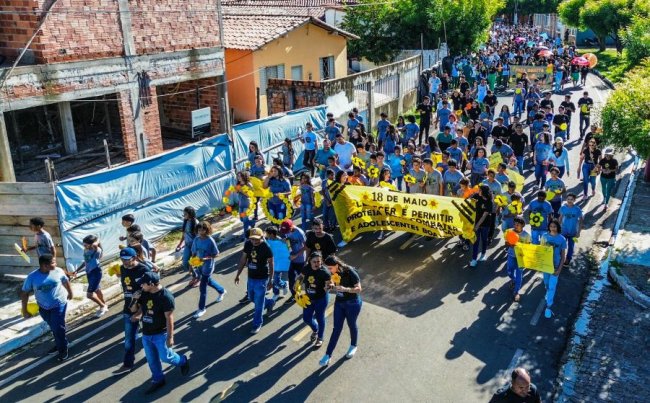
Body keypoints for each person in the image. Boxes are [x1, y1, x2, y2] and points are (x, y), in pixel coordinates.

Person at [130, 272, 190, 394]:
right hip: (146, 334)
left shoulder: (166, 297)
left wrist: (170, 337)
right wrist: (134, 300)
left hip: (160, 334)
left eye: (143, 283)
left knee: (166, 357)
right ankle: (158, 379)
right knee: (151, 360)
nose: (141, 285)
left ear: (151, 284)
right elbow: (133, 309)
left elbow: (169, 318)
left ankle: (183, 360)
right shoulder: (144, 293)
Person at [21, 254, 73, 362]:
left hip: (59, 304)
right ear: (45, 265)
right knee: (54, 327)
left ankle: (63, 349)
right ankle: (61, 343)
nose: (56, 264)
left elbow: (65, 280)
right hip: (43, 307)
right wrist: (24, 310)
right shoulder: (32, 277)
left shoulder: (58, 271)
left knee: (58, 327)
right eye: (53, 262)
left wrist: (70, 292)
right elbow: (25, 293)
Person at [113, 247, 151, 375]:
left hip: (146, 308)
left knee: (150, 336)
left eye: (126, 259)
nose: (124, 262)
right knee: (129, 339)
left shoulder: (144, 270)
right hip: (129, 307)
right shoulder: (123, 268)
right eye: (122, 259)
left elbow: (150, 292)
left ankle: (156, 353)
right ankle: (128, 364)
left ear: (134, 258)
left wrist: (140, 312)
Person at [319, 255, 362, 366]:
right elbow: (331, 284)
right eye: (327, 268)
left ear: (337, 265)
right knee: (336, 328)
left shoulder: (350, 271)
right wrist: (329, 286)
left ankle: (353, 345)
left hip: (352, 303)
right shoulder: (331, 273)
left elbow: (359, 289)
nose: (329, 270)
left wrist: (345, 289)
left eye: (330, 268)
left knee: (351, 324)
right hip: (339, 303)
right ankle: (328, 355)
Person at [234, 228, 275, 334]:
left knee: (258, 304)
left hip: (262, 279)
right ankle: (269, 302)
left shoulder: (266, 247)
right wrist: (238, 274)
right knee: (251, 297)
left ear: (262, 237)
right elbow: (243, 259)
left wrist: (271, 279)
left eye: (257, 239)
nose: (254, 241)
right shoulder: (248, 244)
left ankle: (257, 324)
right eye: (252, 239)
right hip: (251, 277)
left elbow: (271, 263)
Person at [296, 252, 331, 348]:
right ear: (309, 261)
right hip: (308, 298)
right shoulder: (306, 268)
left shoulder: (325, 272)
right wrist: (297, 283)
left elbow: (329, 284)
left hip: (321, 299)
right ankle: (315, 330)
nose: (316, 264)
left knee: (320, 318)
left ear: (321, 261)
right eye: (314, 262)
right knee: (306, 318)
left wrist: (328, 287)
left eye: (318, 261)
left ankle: (320, 337)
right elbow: (301, 277)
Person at [191, 221, 225, 319]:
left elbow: (217, 254)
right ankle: (221, 290)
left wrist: (206, 258)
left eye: (203, 230)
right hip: (199, 266)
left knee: (202, 288)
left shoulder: (210, 240)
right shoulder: (196, 239)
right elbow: (193, 252)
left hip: (208, 266)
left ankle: (201, 309)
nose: (201, 232)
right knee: (208, 281)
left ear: (207, 230)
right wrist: (191, 263)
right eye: (199, 230)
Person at [72, 235, 108, 317]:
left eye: (86, 244)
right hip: (89, 273)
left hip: (95, 272)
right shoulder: (86, 250)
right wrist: (77, 270)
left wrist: (96, 240)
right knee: (97, 290)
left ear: (92, 244)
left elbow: (96, 242)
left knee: (89, 295)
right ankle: (104, 305)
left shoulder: (96, 249)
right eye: (83, 244)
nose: (84, 246)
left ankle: (103, 306)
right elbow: (86, 261)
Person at [541, 219, 567, 318]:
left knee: (552, 286)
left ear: (558, 227)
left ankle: (548, 307)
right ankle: (548, 293)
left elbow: (563, 256)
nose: (553, 228)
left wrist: (559, 269)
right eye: (551, 226)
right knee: (546, 284)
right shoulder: (544, 236)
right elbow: (540, 251)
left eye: (554, 226)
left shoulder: (562, 239)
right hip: (546, 266)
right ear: (549, 227)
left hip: (555, 267)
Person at [280, 219, 307, 303]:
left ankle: (305, 294)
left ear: (292, 227)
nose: (286, 233)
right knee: (291, 278)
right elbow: (287, 241)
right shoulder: (285, 230)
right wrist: (285, 242)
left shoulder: (300, 233)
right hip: (290, 259)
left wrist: (296, 255)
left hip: (300, 259)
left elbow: (306, 246)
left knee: (302, 279)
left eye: (287, 231)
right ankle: (294, 295)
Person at [504, 217, 531, 302]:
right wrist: (511, 245)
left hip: (521, 258)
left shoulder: (526, 235)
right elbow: (506, 243)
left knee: (519, 273)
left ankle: (516, 292)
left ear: (522, 225)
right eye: (514, 224)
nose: (515, 226)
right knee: (509, 271)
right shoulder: (509, 232)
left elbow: (528, 247)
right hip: (511, 255)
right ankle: (513, 279)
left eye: (517, 225)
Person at [470, 184, 493, 268]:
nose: (478, 191)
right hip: (476, 222)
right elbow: (469, 201)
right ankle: (474, 259)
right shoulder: (476, 195)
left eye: (480, 190)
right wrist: (471, 200)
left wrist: (477, 226)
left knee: (484, 239)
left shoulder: (489, 202)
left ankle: (483, 254)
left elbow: (484, 216)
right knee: (475, 241)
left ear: (484, 192)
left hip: (485, 224)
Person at [175, 206, 200, 287]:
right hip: (187, 245)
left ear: (190, 214)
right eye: (184, 213)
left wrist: (196, 248)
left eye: (185, 213)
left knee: (194, 262)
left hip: (194, 246)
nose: (184, 215)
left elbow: (198, 236)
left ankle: (198, 278)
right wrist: (180, 244)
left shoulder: (195, 222)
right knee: (185, 262)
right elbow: (184, 234)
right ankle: (195, 276)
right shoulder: (185, 221)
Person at [265, 226, 290, 301]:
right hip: (273, 263)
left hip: (281, 263)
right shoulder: (268, 240)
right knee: (273, 278)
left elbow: (289, 249)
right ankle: (276, 293)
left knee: (275, 279)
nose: (266, 235)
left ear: (272, 234)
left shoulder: (282, 241)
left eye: (267, 234)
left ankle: (284, 284)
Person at [559, 193, 583, 266]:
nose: (569, 201)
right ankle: (561, 258)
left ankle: (568, 259)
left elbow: (581, 220)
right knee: (561, 245)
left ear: (574, 200)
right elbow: (560, 218)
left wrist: (578, 232)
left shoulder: (577, 209)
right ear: (566, 199)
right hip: (563, 231)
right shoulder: (563, 208)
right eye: (568, 199)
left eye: (571, 199)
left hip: (573, 231)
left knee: (571, 246)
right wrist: (557, 228)